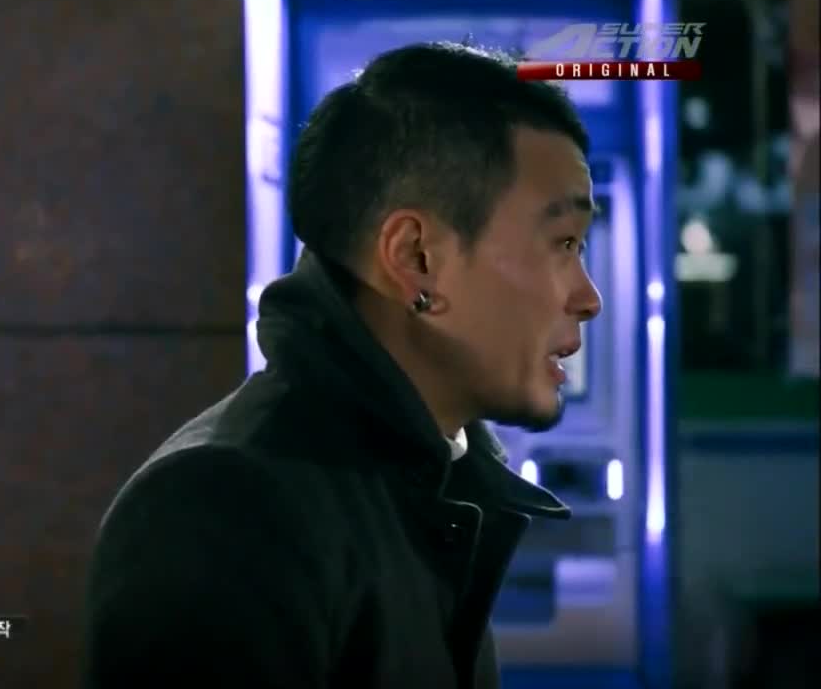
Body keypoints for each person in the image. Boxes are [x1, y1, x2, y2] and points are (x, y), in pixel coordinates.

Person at [83, 42, 601, 689]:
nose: (588, 297)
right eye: (562, 244)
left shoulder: (434, 488)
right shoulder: (225, 512)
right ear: (416, 258)